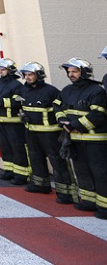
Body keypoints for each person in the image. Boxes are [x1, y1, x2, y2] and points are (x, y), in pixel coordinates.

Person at [17, 62, 76, 202]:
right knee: (35, 158)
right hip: (31, 132)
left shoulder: (51, 91)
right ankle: (40, 185)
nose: (27, 77)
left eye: (30, 74)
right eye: (25, 75)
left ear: (39, 75)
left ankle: (65, 193)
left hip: (51, 134)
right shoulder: (24, 90)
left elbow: (61, 109)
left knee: (57, 161)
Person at [55, 58, 107, 217]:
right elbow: (58, 106)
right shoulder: (66, 90)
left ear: (84, 73)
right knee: (81, 171)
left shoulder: (97, 91)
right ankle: (89, 201)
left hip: (95, 141)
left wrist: (74, 125)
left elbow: (99, 115)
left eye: (74, 71)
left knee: (100, 173)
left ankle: (104, 207)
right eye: (69, 72)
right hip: (75, 140)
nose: (71, 74)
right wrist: (62, 120)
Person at [0, 58, 28, 184]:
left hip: (13, 122)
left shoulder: (17, 85)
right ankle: (9, 171)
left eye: (3, 69)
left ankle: (21, 175)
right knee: (5, 147)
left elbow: (17, 101)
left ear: (10, 70)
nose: (0, 71)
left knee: (17, 147)